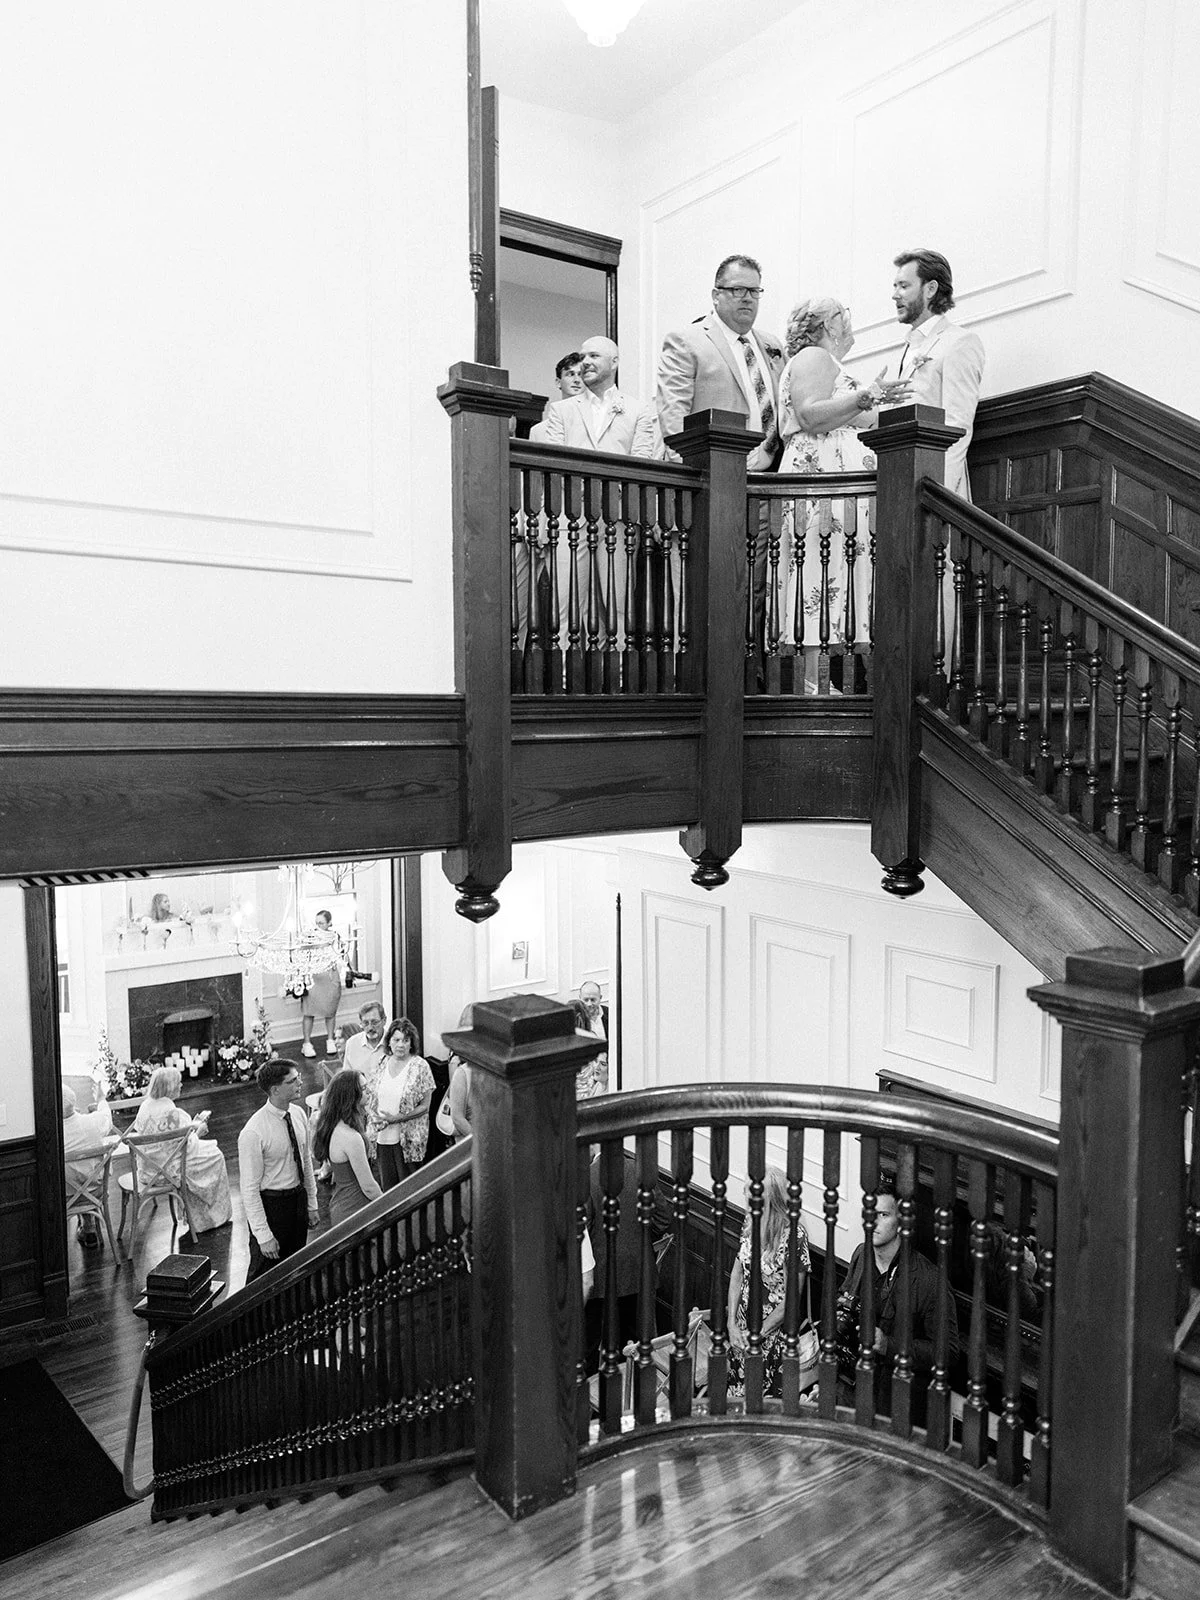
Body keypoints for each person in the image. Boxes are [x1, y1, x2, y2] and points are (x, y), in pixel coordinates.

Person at [655, 253, 785, 662]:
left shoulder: (772, 346)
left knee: (762, 587)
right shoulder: (687, 340)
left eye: (755, 291)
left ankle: (753, 673)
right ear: (716, 294)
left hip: (772, 484)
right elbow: (672, 417)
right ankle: (702, 675)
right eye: (738, 290)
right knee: (711, 591)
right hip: (713, 484)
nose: (748, 299)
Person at [776, 297, 910, 688]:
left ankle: (838, 680)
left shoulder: (831, 364)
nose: (849, 321)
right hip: (822, 486)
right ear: (827, 325)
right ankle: (812, 684)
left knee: (840, 573)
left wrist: (876, 403)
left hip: (844, 493)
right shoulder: (813, 357)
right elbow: (810, 415)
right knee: (818, 572)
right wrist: (864, 397)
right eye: (842, 314)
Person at [836, 1187, 961, 1417]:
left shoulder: (930, 1280)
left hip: (893, 1403)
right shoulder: (861, 1254)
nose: (873, 1220)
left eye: (883, 1214)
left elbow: (948, 1352)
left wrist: (887, 1345)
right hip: (850, 1386)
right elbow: (846, 1295)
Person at [891, 248, 985, 501]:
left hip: (934, 487)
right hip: (897, 478)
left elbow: (958, 424)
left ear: (930, 289)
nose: (895, 295)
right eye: (895, 286)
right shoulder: (906, 348)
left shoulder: (960, 342)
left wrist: (937, 492)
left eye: (903, 286)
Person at [726, 1166, 810, 1397]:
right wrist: (731, 1325)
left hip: (771, 1339)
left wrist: (758, 1334)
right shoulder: (749, 1222)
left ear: (770, 1198)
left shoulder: (794, 1236)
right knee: (737, 1399)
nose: (745, 1194)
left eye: (751, 1190)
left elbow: (792, 1299)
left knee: (760, 1404)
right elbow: (737, 1274)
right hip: (741, 1332)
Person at [238, 1059, 319, 1284]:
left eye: (298, 1077)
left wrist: (311, 1204)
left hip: (297, 1202)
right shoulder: (253, 1132)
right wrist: (263, 1235)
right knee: (262, 1277)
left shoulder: (299, 1114)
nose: (300, 1083)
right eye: (292, 1081)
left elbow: (306, 1162)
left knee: (295, 1270)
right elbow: (249, 1190)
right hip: (273, 1207)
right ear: (275, 1090)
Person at [128, 1065, 232, 1234]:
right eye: (178, 1083)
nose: (181, 1086)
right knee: (216, 1155)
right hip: (168, 1171)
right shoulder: (173, 1113)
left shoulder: (145, 1106)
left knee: (207, 1153)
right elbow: (188, 1147)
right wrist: (198, 1132)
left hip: (147, 1169)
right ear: (169, 1087)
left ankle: (198, 1217)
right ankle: (210, 1219)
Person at [311, 1068, 383, 1228]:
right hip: (355, 1208)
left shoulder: (334, 1126)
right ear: (351, 1096)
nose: (369, 1092)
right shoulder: (351, 1137)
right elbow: (369, 1187)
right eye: (363, 1089)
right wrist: (388, 1207)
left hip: (342, 1202)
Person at [372, 1017, 435, 1188]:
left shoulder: (421, 1066)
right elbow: (372, 1095)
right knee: (388, 1187)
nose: (401, 1045)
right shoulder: (382, 1062)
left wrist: (399, 1118)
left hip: (408, 1139)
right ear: (389, 1042)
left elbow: (425, 1106)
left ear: (411, 1043)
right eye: (397, 1040)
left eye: (406, 1040)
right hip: (382, 1136)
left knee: (410, 1189)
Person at [61, 1084, 118, 1246]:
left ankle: (87, 1226)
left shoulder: (53, 1133)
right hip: (96, 1189)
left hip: (65, 1195)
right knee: (85, 1177)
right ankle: (89, 1225)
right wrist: (101, 1099)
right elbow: (106, 1116)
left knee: (73, 1178)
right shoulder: (93, 1123)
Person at [300, 909, 342, 1061]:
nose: (318, 925)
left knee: (330, 1012)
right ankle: (306, 1043)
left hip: (330, 977)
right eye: (316, 923)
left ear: (329, 923)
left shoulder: (336, 937)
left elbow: (341, 956)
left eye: (321, 923)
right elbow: (303, 956)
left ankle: (330, 1040)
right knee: (308, 1012)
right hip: (313, 978)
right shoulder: (309, 938)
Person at [573, 980, 609, 1099]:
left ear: (600, 998)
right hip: (586, 1076)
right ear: (580, 998)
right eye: (586, 1000)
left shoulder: (611, 1015)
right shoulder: (576, 1020)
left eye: (593, 1000)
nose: (589, 1004)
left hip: (606, 1073)